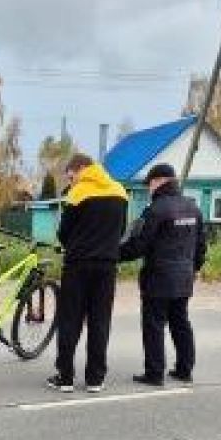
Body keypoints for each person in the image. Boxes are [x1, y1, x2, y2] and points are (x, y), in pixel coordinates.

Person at [119, 163, 208, 387]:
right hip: (184, 277)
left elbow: (140, 245)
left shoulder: (155, 210)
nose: (149, 189)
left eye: (149, 184)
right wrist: (194, 269)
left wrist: (113, 255)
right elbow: (201, 246)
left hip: (158, 278)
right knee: (181, 323)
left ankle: (154, 373)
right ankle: (184, 370)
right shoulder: (193, 208)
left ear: (159, 181)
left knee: (154, 325)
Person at [47, 153, 128, 393]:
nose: (70, 181)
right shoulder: (120, 192)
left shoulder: (78, 192)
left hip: (78, 266)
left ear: (82, 168)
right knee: (100, 321)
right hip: (107, 267)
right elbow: (121, 230)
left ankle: (65, 377)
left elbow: (63, 232)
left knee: (70, 320)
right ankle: (95, 378)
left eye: (71, 176)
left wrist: (75, 245)